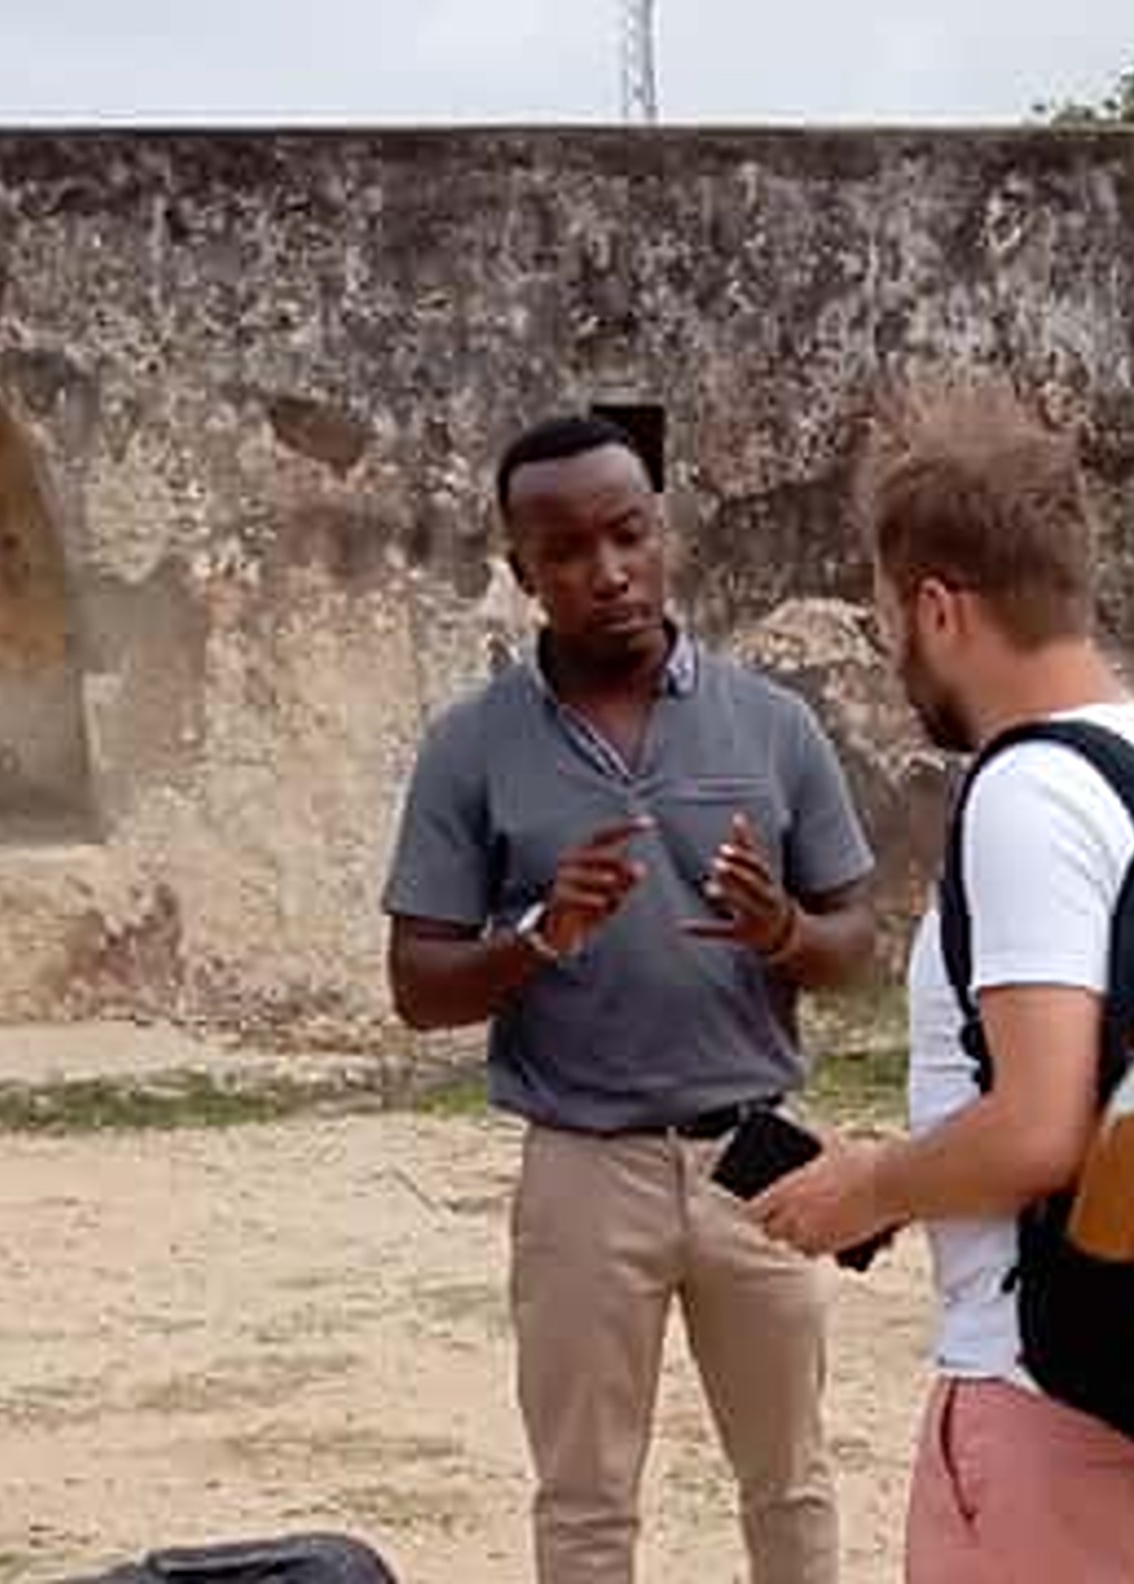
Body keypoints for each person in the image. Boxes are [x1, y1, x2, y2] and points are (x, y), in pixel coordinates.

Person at [749, 392, 1134, 1582]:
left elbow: (1038, 1126)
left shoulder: (1028, 794)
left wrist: (872, 1186)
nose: (894, 656)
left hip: (1045, 1395)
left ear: (938, 608)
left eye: (887, 622)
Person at [380, 413, 878, 1584]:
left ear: (664, 534)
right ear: (522, 574)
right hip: (581, 1168)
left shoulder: (772, 725)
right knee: (586, 1501)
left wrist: (782, 931)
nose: (606, 571)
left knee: (790, 1483)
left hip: (755, 1161)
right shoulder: (472, 748)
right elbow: (416, 986)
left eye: (628, 533)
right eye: (565, 551)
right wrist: (537, 940)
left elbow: (854, 942)